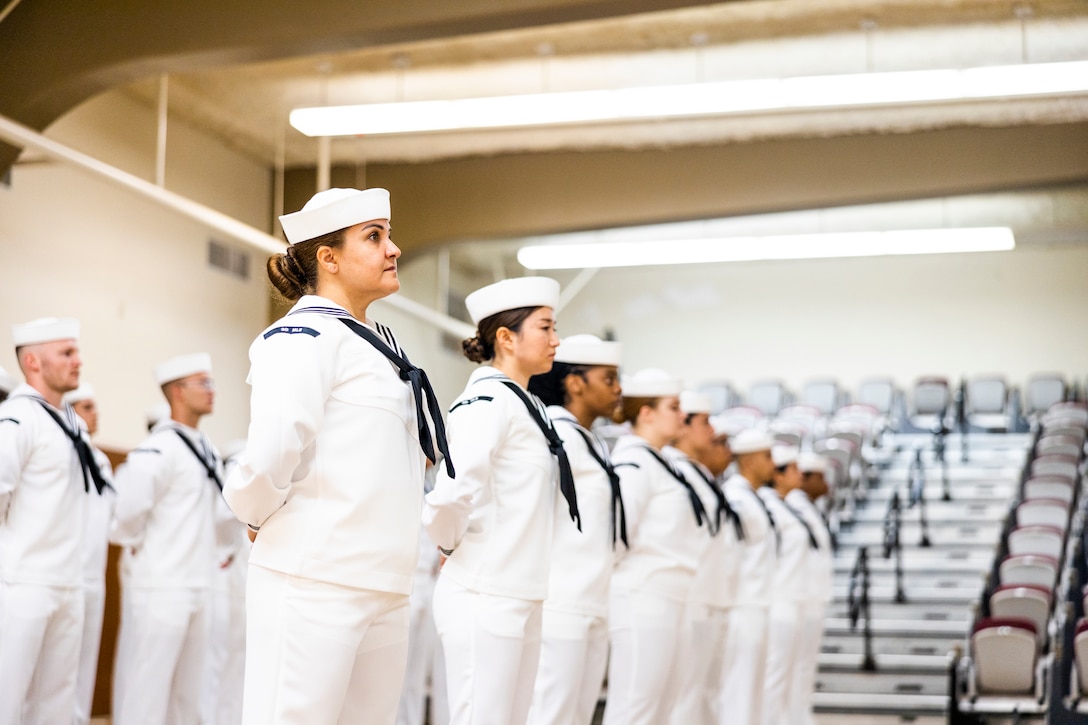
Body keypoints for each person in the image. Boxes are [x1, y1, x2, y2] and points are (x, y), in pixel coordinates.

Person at [224, 187, 450, 725]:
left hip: (384, 582)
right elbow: (273, 449)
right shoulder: (304, 336)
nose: (393, 248)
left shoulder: (380, 346)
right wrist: (256, 516)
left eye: (388, 235)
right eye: (374, 237)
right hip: (315, 581)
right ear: (327, 257)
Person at [423, 275, 575, 725]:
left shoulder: (526, 405)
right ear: (507, 338)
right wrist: (448, 546)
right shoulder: (487, 400)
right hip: (485, 594)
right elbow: (450, 493)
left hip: (522, 592)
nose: (556, 340)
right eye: (545, 328)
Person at [111, 352, 232, 725]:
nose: (212, 391)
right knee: (148, 689)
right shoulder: (158, 447)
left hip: (202, 584)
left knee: (194, 692)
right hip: (163, 585)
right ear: (178, 391)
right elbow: (126, 514)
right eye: (203, 383)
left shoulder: (207, 447)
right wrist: (146, 549)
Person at [0, 318, 106, 725]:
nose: (78, 361)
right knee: (8, 700)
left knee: (58, 704)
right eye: (66, 353)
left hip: (69, 583)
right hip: (25, 583)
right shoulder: (18, 418)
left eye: (76, 351)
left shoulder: (69, 424)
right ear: (32, 362)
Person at [602, 369, 712, 725]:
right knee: (635, 709)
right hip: (643, 597)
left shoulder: (660, 461)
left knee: (660, 710)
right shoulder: (634, 461)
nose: (683, 415)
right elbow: (617, 535)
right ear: (646, 413)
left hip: (672, 598)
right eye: (674, 407)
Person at [526, 333, 624, 725]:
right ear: (575, 382)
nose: (619, 390)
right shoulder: (553, 436)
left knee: (577, 716)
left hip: (593, 599)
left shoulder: (590, 442)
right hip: (561, 602)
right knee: (551, 713)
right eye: (609, 379)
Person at [667, 391, 742, 725]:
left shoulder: (697, 473)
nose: (711, 432)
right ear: (683, 426)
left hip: (713, 597)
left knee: (706, 696)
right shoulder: (671, 469)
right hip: (690, 599)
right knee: (685, 697)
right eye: (705, 422)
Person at [64, 383, 117, 725]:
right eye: (86, 406)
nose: (94, 412)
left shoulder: (100, 461)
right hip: (61, 576)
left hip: (93, 577)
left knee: (83, 668)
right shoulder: (60, 451)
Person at [718, 429, 778, 725]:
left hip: (758, 604)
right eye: (767, 456)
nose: (773, 463)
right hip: (742, 606)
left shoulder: (752, 498)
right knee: (739, 691)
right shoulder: (735, 497)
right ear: (751, 461)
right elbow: (728, 556)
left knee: (755, 690)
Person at [758, 446, 818, 725]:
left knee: (795, 670)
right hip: (778, 598)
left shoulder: (788, 506)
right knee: (775, 672)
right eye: (793, 469)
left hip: (797, 596)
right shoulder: (767, 506)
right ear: (778, 475)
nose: (800, 475)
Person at [787, 452, 834, 725]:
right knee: (788, 671)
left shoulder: (805, 507)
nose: (826, 484)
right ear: (805, 478)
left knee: (803, 669)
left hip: (810, 598)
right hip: (794, 597)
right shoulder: (790, 506)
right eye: (820, 477)